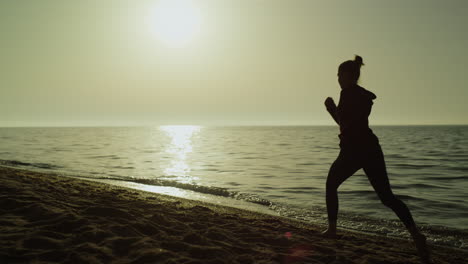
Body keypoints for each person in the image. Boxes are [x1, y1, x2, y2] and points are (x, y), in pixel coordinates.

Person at [323, 55, 431, 263]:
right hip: (371, 148)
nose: (337, 78)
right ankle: (416, 235)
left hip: (353, 151)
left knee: (331, 184)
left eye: (339, 74)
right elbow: (351, 122)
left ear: (347, 75)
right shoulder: (362, 95)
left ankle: (332, 229)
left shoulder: (347, 93)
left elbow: (343, 122)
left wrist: (330, 108)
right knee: (387, 197)